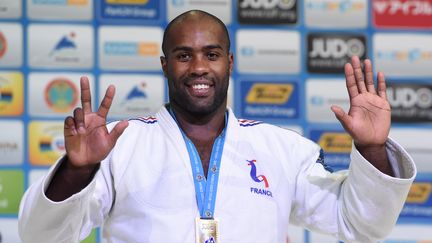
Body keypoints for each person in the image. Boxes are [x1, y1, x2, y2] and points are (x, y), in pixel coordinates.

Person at [18, 10, 416, 243]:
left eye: (211, 54)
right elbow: (39, 235)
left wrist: (372, 150)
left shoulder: (283, 149)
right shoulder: (122, 145)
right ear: (164, 65)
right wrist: (78, 171)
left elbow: (362, 224)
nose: (198, 68)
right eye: (183, 56)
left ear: (229, 62)